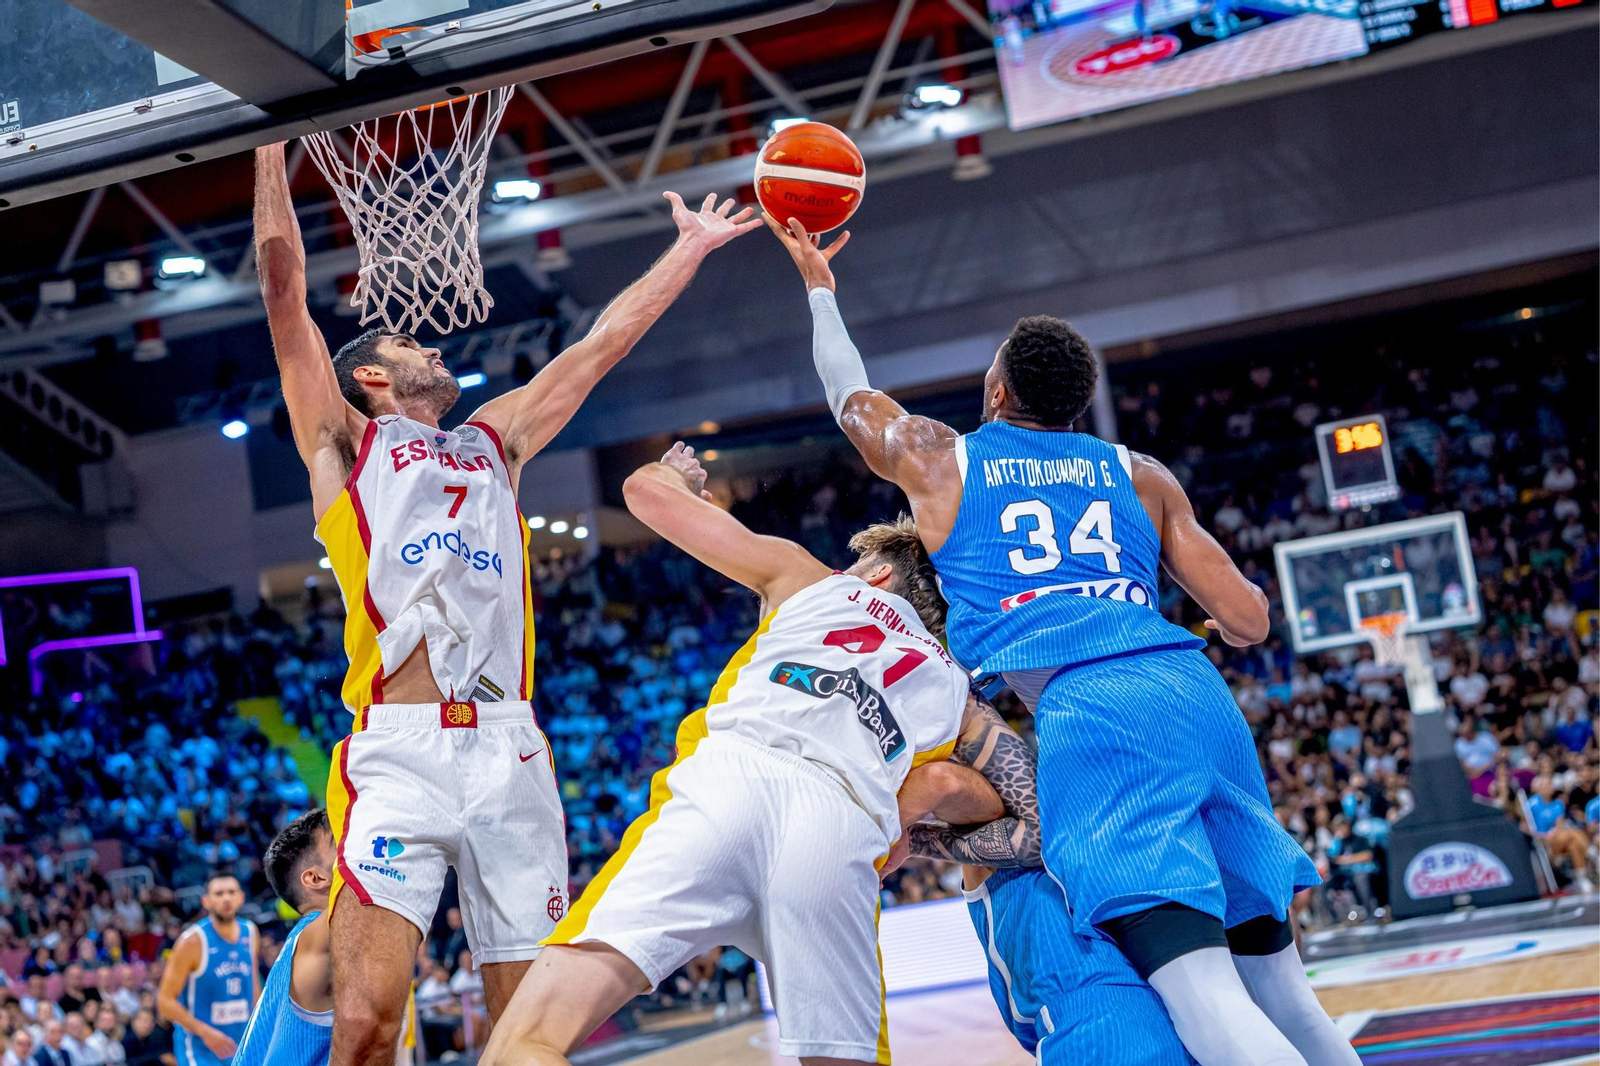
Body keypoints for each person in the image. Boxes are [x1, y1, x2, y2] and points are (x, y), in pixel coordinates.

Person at [768, 214, 1354, 1066]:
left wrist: (820, 286)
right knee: (1283, 992)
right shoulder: (1139, 472)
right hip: (1198, 700)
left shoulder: (944, 457)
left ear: (999, 392)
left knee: (1204, 996)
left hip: (1096, 713)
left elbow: (849, 399)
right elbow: (1251, 619)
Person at [252, 141, 762, 1066]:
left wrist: (687, 250)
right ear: (371, 375)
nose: (437, 347)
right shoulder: (344, 443)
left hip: (509, 746)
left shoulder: (496, 440)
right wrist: (270, 149)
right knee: (367, 1027)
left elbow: (598, 348)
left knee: (531, 1033)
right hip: (399, 752)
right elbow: (284, 296)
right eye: (413, 345)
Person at [481, 444, 1009, 1065]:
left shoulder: (808, 577)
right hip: (839, 830)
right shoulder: (954, 688)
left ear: (880, 575)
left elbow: (642, 495)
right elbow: (984, 796)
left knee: (526, 1042)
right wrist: (920, 802)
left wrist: (673, 475)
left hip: (731, 785)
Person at [904, 698, 1197, 1065]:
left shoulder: (1013, 842)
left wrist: (898, 839)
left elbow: (941, 780)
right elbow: (945, 777)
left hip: (1100, 1025)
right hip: (1160, 1018)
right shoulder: (1093, 840)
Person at [234, 809, 336, 1066]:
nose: (353, 844)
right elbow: (373, 883)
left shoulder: (301, 941)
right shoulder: (316, 935)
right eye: (340, 842)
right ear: (315, 877)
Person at [156, 874, 258, 1066]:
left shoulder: (251, 932)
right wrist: (206, 1032)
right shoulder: (192, 941)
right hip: (200, 1049)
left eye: (231, 892)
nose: (226, 898)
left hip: (239, 1044)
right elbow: (164, 1002)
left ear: (241, 897)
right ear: (206, 901)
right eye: (218, 894)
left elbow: (253, 989)